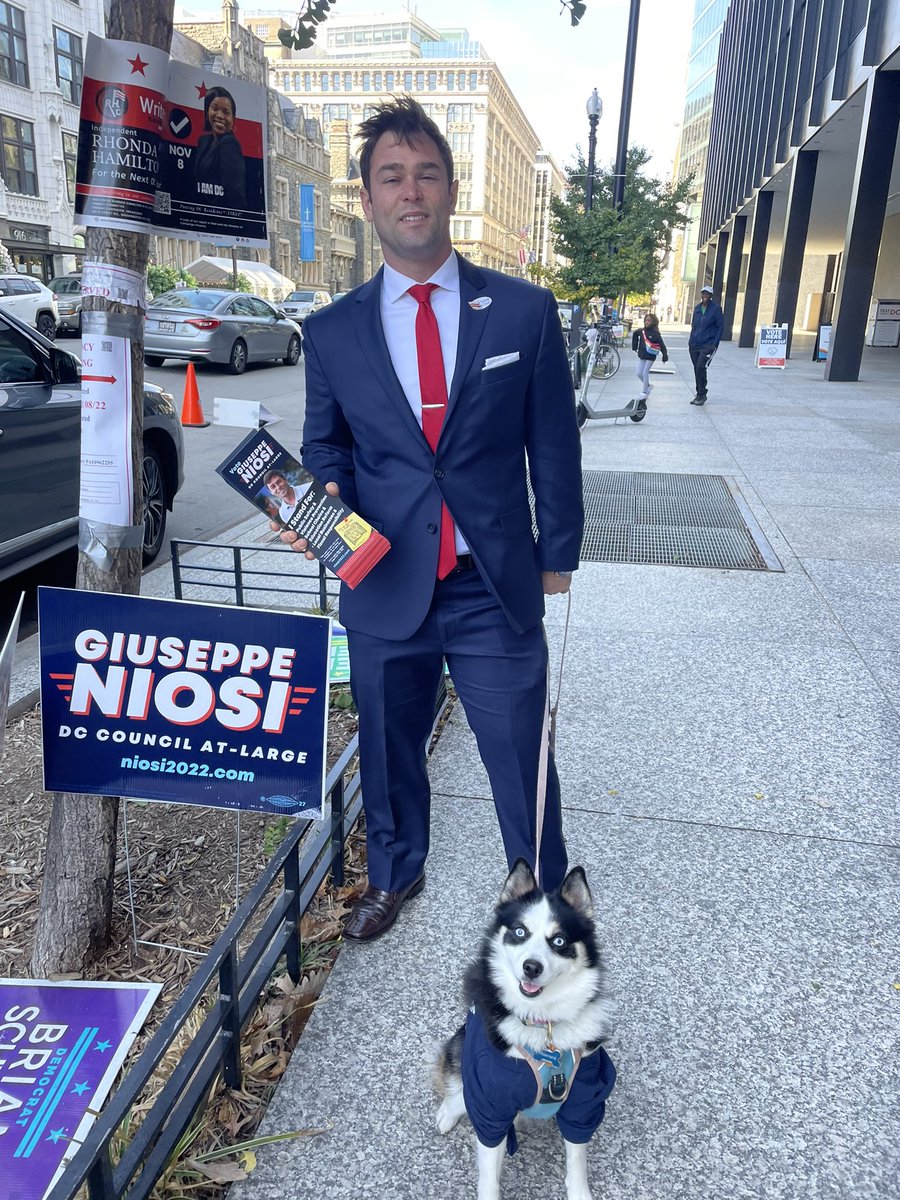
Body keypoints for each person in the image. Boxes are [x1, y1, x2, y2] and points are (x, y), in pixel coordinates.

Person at [278, 96, 583, 942]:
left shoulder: (522, 311)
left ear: (450, 190)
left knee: (521, 751)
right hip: (383, 579)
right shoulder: (332, 330)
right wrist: (321, 501)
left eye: (426, 173)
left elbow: (552, 444)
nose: (409, 191)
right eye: (390, 177)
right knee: (386, 746)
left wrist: (558, 553)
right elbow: (326, 446)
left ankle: (541, 896)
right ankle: (393, 872)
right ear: (367, 200)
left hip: (492, 582)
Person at [193, 86, 246, 210]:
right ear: (207, 111)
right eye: (215, 108)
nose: (220, 116)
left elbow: (234, 192)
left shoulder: (229, 144)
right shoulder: (203, 141)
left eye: (226, 112)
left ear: (233, 118)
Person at [688, 283, 723, 405]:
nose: (705, 296)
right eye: (703, 293)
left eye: (707, 294)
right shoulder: (697, 308)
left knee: (700, 367)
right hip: (694, 344)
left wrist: (714, 343)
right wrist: (691, 341)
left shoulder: (716, 309)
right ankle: (699, 394)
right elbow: (694, 326)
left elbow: (720, 327)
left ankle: (702, 394)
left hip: (708, 345)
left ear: (710, 296)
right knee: (696, 369)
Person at [630, 312, 668, 414]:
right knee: (639, 373)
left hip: (651, 356)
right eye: (646, 320)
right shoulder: (641, 331)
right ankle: (648, 386)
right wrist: (634, 346)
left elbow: (662, 344)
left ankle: (644, 392)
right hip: (642, 355)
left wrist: (665, 355)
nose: (647, 322)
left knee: (645, 372)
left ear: (653, 322)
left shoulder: (656, 333)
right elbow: (634, 334)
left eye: (649, 320)